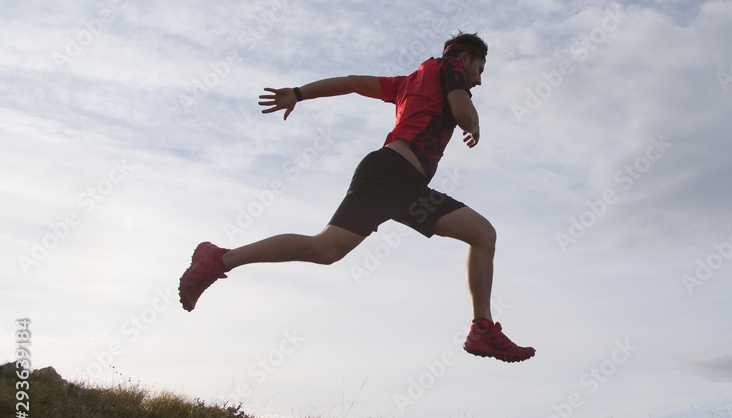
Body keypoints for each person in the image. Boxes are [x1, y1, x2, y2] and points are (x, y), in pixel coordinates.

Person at [178, 32, 535, 363]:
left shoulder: (409, 82)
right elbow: (461, 112)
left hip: (404, 184)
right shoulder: (450, 67)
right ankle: (218, 259)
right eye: (480, 69)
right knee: (325, 249)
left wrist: (299, 93)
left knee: (476, 234)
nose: (479, 79)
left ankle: (482, 330)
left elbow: (351, 83)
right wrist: (474, 123)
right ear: (466, 57)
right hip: (391, 175)